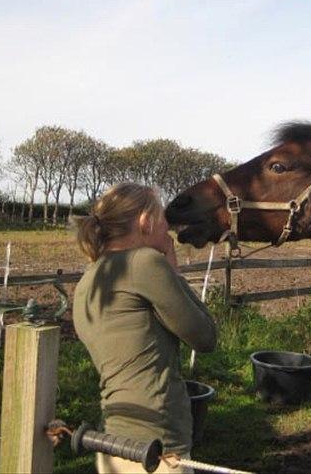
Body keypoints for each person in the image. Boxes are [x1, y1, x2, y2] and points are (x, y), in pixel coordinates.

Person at [73, 183, 217, 474]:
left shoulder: (90, 278)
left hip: (113, 441)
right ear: (145, 221)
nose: (168, 229)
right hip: (156, 448)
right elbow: (205, 337)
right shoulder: (144, 262)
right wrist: (172, 265)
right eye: (163, 218)